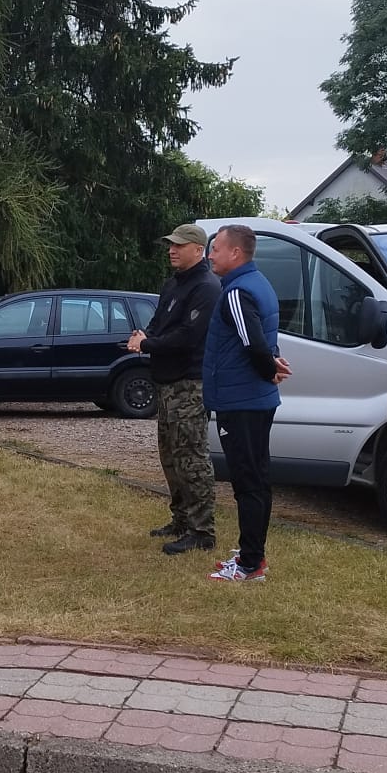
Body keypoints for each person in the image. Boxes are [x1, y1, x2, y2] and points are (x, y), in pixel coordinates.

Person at [201, 224, 291, 584]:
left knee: (248, 481)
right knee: (256, 478)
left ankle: (250, 564)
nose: (210, 255)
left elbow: (253, 342)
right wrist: (272, 362)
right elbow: (263, 338)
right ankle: (252, 554)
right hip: (251, 398)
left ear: (235, 253)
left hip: (241, 401)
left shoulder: (237, 292)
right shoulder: (259, 283)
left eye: (216, 249)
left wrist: (268, 368)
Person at [128, 223, 222, 556]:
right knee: (171, 457)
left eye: (179, 245)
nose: (172, 250)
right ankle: (181, 519)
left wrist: (148, 344)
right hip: (167, 383)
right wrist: (143, 336)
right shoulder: (174, 284)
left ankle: (202, 530)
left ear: (198, 250)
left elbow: (188, 336)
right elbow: (159, 324)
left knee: (192, 458)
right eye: (170, 244)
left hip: (189, 384)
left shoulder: (207, 287)